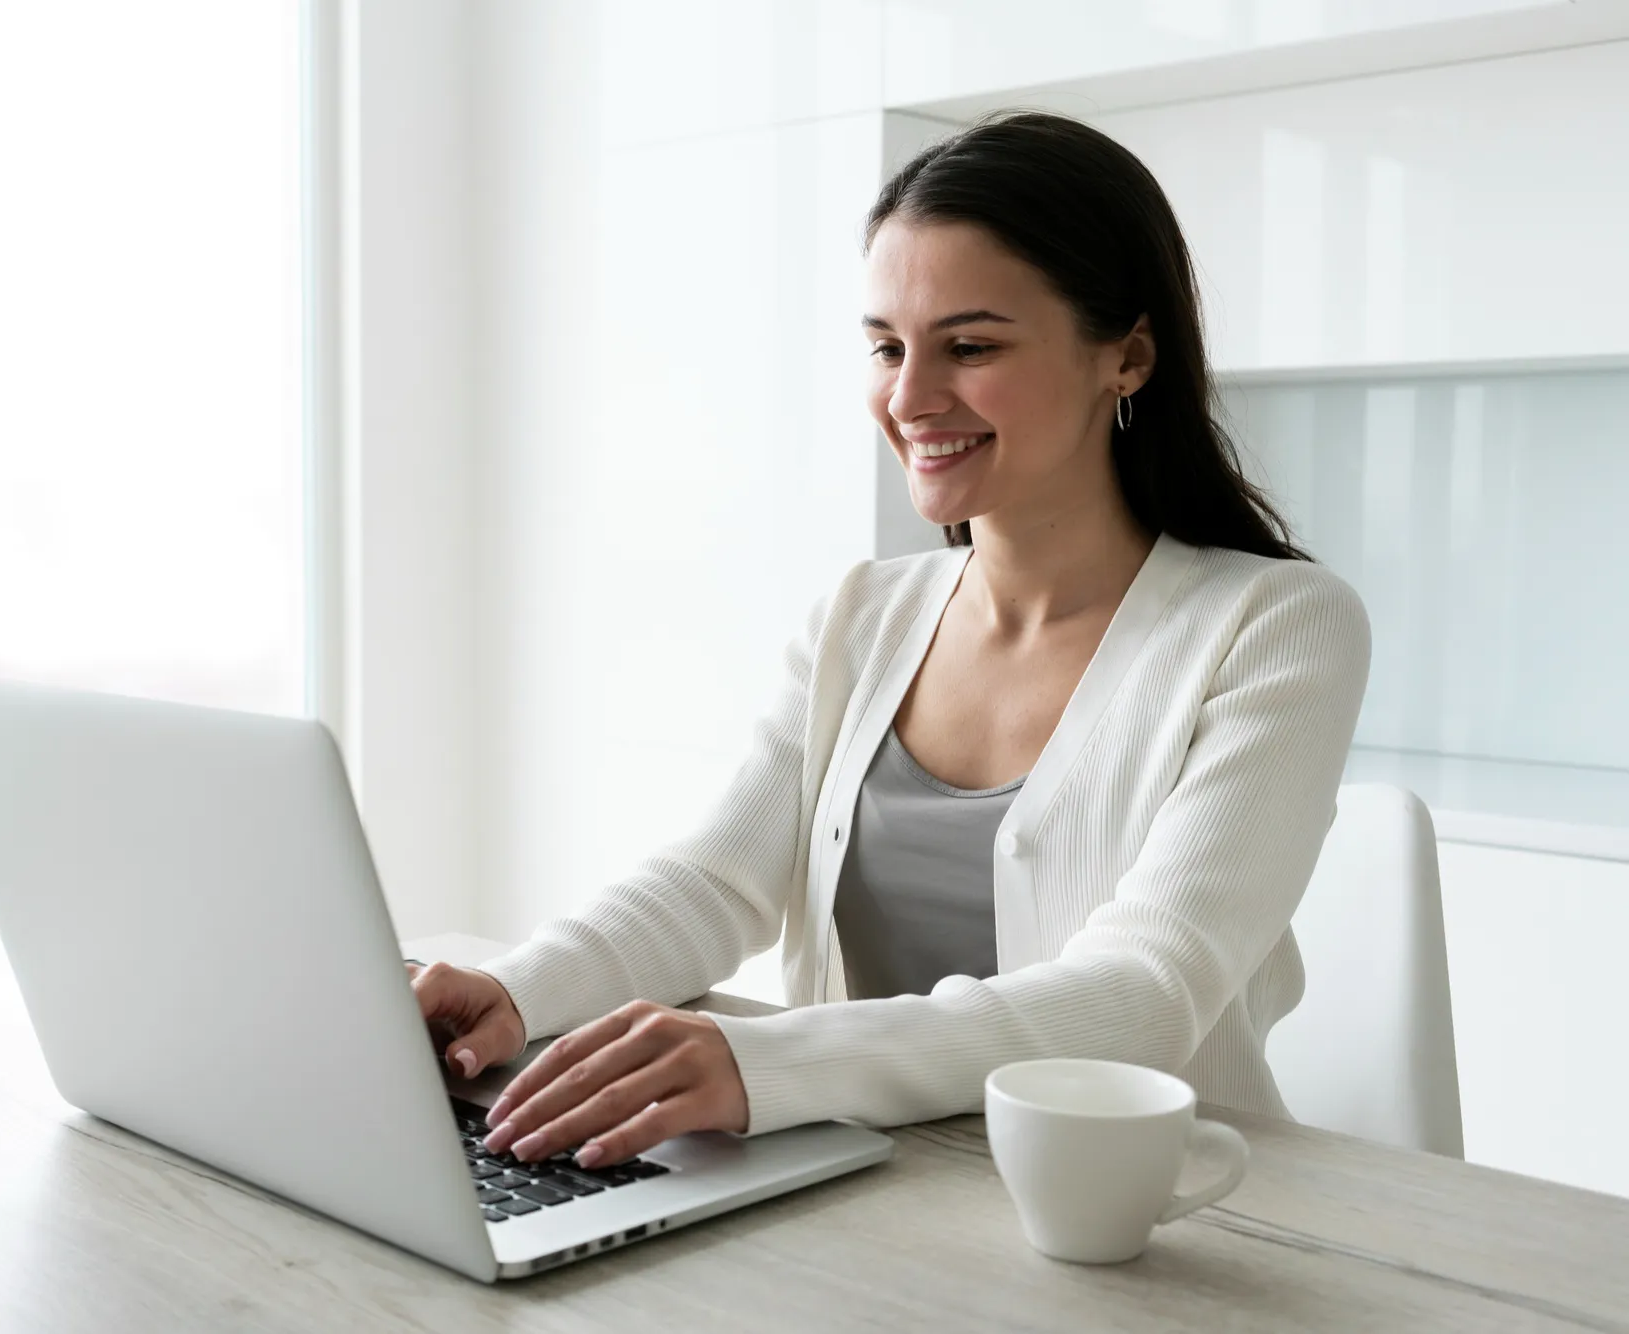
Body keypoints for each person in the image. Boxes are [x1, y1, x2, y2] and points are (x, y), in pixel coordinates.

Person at [410, 110, 1369, 1175]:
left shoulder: (1275, 625)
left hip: (1152, 1211)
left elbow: (1142, 994)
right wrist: (515, 988)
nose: (909, 398)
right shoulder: (860, 617)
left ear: (1127, 356)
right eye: (884, 346)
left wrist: (764, 1062)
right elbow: (716, 882)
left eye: (969, 346)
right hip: (870, 1188)